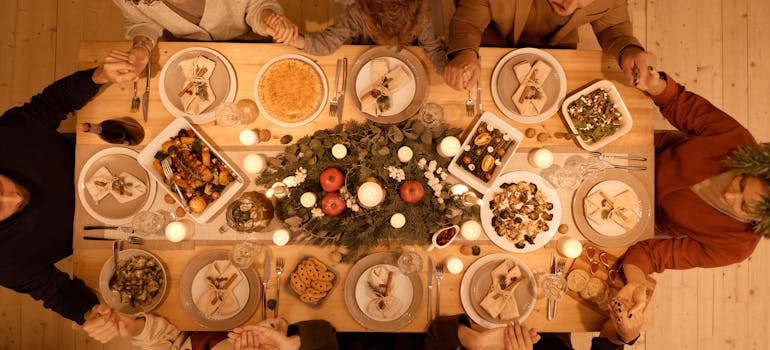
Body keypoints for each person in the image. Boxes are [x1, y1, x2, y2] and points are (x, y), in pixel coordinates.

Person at [0, 52, 140, 324]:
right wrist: (89, 313)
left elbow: (52, 103)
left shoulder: (5, 136)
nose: (13, 196)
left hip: (112, 155)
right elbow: (56, 293)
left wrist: (98, 75)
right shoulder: (6, 264)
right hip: (122, 228)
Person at [619, 64, 770, 285]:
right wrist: (657, 84)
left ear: (759, 220)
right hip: (643, 154)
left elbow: (655, 255)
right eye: (742, 183)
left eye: (744, 207)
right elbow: (680, 103)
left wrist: (635, 281)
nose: (730, 195)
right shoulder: (738, 141)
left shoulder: (736, 246)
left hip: (636, 212)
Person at [443, 0, 655, 91]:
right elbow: (468, 22)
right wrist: (465, 51)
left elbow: (614, 27)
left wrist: (629, 50)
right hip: (492, 38)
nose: (568, 8)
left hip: (558, 48)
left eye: (581, 3)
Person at [425, 279, 648, 350]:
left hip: (471, 326)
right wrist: (625, 334)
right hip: (552, 327)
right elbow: (607, 338)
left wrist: (475, 341)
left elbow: (434, 334)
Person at [111, 0, 293, 76]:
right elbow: (141, 22)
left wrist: (268, 17)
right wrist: (142, 46)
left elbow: (257, 4)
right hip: (186, 48)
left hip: (247, 39)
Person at [268, 0, 447, 73]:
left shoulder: (421, 16)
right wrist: (295, 39)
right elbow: (327, 43)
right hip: (361, 65)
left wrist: (447, 68)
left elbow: (434, 49)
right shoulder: (356, 13)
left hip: (408, 67)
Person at [82, 304, 339, 350]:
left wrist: (134, 328)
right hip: (274, 313)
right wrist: (289, 346)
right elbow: (325, 334)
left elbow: (166, 342)